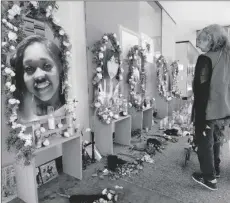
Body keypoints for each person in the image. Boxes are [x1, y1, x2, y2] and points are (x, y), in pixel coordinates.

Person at [191, 24, 230, 191]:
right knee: (216, 139)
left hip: (209, 108)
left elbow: (201, 88)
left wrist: (197, 116)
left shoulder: (205, 58)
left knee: (204, 141)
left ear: (212, 40)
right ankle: (216, 169)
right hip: (225, 108)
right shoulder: (227, 55)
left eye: (201, 39)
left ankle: (209, 178)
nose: (198, 43)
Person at [10, 35, 65, 122]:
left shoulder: (72, 109)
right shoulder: (18, 117)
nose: (39, 76)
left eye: (47, 66)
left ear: (60, 68)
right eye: (29, 69)